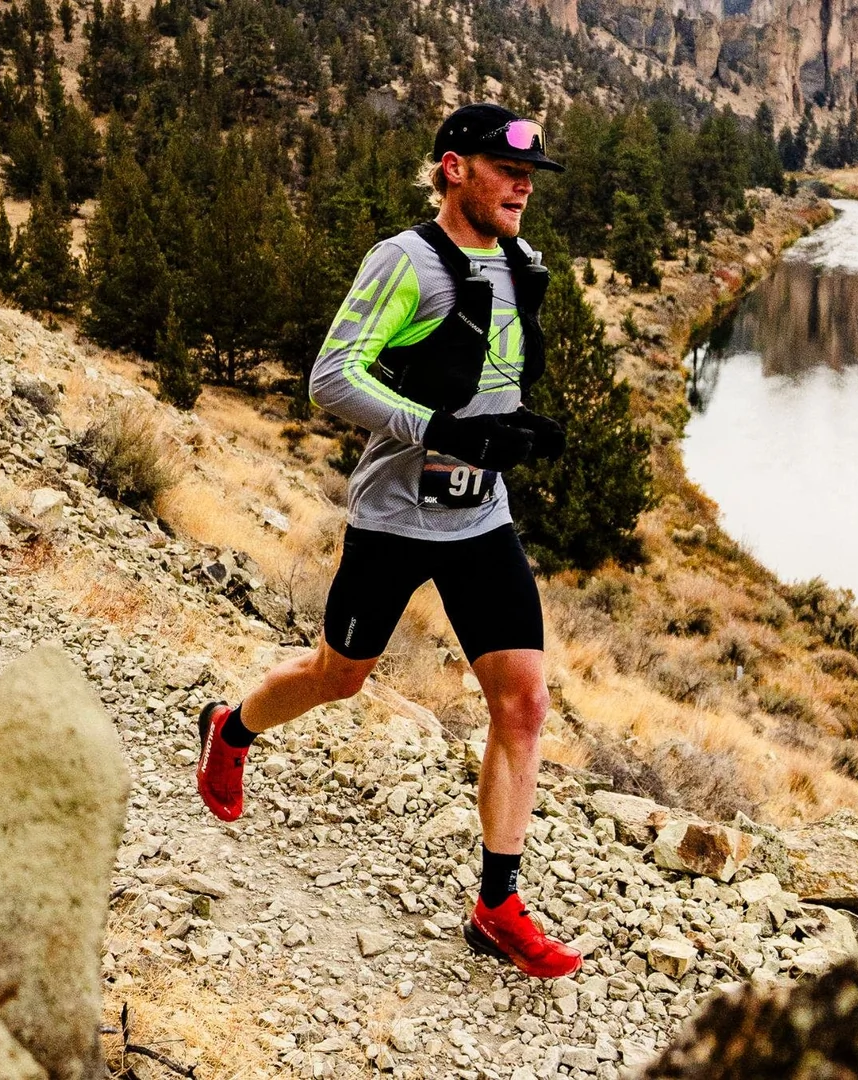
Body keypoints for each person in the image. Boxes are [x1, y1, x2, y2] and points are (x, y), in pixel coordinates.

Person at [194, 103, 582, 979]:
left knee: (522, 703)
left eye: (530, 174)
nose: (524, 185)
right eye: (504, 168)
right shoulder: (406, 263)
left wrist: (512, 432)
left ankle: (496, 904)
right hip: (396, 517)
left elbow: (489, 374)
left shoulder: (524, 262)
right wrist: (442, 429)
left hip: (483, 517)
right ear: (453, 168)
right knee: (341, 676)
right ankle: (232, 728)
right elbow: (331, 377)